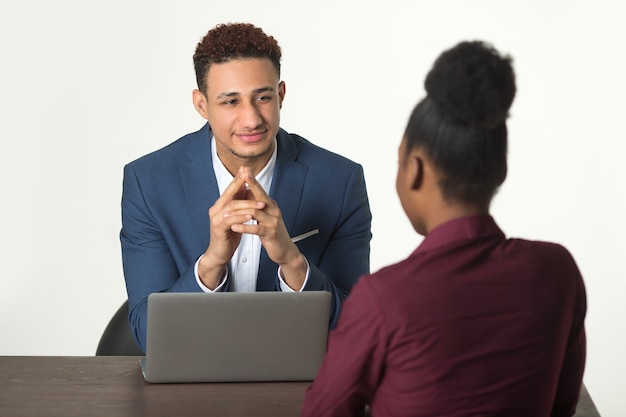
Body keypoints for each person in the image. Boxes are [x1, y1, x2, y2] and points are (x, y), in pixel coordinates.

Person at [301, 41, 586, 417]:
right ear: (500, 168)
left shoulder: (385, 298)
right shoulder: (558, 271)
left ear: (414, 168)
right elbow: (562, 406)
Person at [120, 23, 372, 353]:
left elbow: (357, 327)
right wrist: (211, 264)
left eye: (262, 97)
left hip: (299, 384)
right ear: (201, 105)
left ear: (280, 95)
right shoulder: (149, 182)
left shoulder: (340, 181)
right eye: (230, 102)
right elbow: (148, 334)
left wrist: (292, 263)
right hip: (191, 382)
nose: (251, 119)